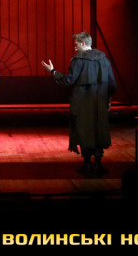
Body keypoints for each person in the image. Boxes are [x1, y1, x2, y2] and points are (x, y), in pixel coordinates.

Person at [41, 31, 117, 174]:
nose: (74, 47)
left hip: (82, 104)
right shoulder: (104, 60)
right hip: (99, 103)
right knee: (98, 130)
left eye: (76, 44)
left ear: (83, 43)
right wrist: (108, 100)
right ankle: (98, 164)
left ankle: (87, 164)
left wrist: (53, 71)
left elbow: (69, 80)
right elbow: (112, 84)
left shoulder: (78, 60)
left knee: (84, 131)